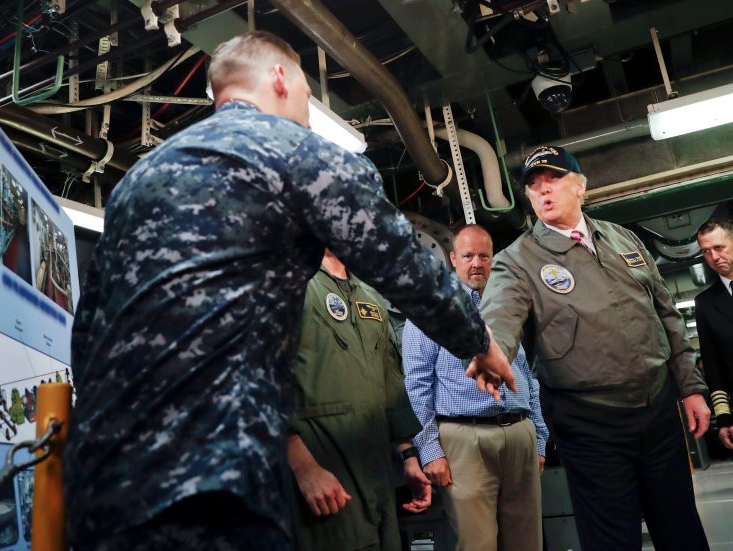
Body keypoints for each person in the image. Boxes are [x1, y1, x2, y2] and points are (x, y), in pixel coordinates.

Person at [65, 31, 510, 551]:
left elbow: (87, 331)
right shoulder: (299, 152)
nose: (305, 107)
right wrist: (477, 341)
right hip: (217, 468)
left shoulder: (136, 180)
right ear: (281, 78)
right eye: (305, 89)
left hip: (103, 473)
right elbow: (404, 264)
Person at [469, 145, 710, 551]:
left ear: (580, 186)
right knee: (611, 540)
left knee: (681, 529)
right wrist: (489, 347)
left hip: (658, 411)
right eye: (533, 185)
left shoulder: (623, 238)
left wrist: (690, 387)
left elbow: (667, 315)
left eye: (554, 179)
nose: (543, 190)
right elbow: (499, 316)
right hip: (590, 423)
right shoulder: (517, 261)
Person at [402, 224, 549, 551]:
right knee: (476, 544)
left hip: (519, 434)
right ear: (453, 258)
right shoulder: (429, 311)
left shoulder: (504, 309)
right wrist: (431, 450)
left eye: (484, 256)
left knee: (528, 544)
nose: (477, 264)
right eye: (468, 256)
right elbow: (416, 385)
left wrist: (539, 438)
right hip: (464, 440)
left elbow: (527, 374)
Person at [287, 250, 430, 550]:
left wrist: (409, 457)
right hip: (323, 463)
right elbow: (258, 381)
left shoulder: (370, 297)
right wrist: (303, 468)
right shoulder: (288, 284)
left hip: (376, 471)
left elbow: (390, 383)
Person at [696, 218, 733, 450]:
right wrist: (725, 419)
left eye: (719, 247)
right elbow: (713, 367)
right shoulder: (705, 304)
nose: (714, 257)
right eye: (706, 251)